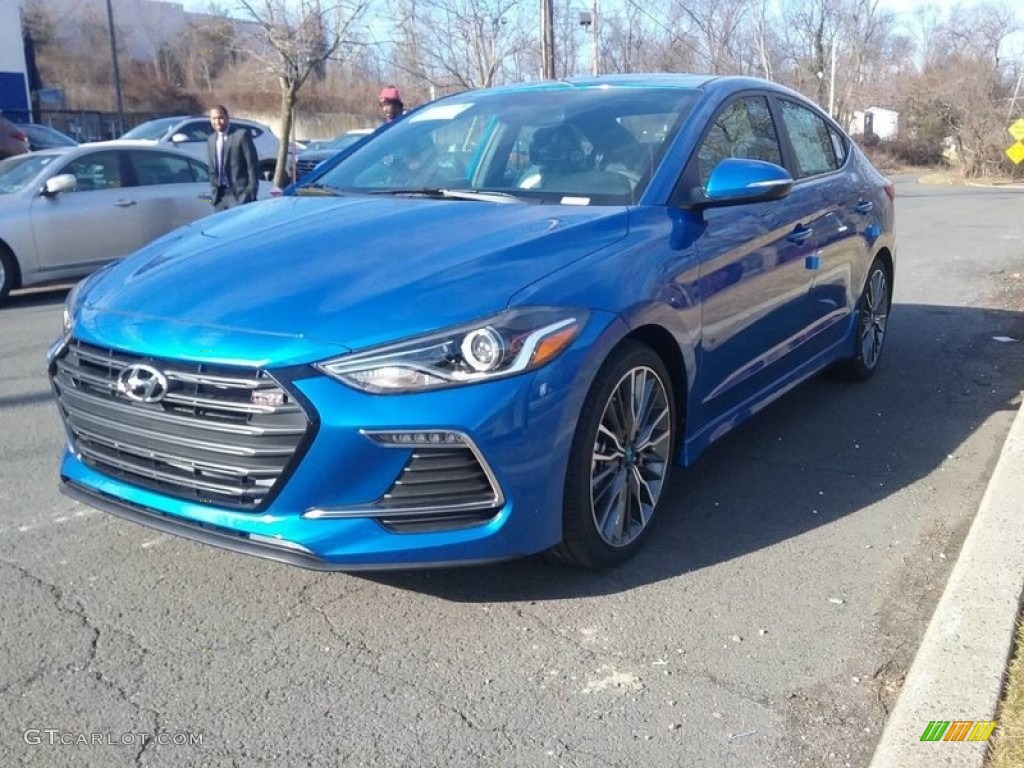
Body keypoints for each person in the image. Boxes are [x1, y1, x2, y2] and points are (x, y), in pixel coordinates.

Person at [206, 104, 259, 211]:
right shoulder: (211, 140)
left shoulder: (240, 135)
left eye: (220, 118)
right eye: (214, 119)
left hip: (239, 195)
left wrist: (249, 193)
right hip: (219, 197)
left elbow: (252, 166)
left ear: (227, 117)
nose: (217, 122)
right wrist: (213, 194)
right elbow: (212, 170)